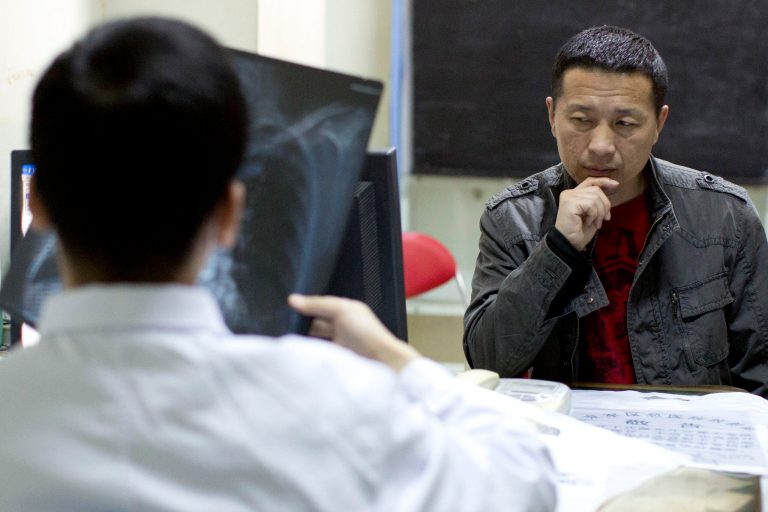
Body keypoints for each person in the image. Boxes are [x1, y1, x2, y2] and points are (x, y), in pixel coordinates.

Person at [0, 17, 556, 512]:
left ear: (37, 205)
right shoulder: (324, 401)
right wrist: (395, 358)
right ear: (229, 214)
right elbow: (523, 481)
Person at [464, 25, 768, 397]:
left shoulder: (726, 217)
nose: (601, 146)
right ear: (552, 116)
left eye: (624, 124)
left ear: (658, 124)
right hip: (568, 429)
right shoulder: (512, 219)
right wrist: (557, 249)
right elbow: (488, 363)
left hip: (687, 429)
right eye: (581, 120)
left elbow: (761, 376)